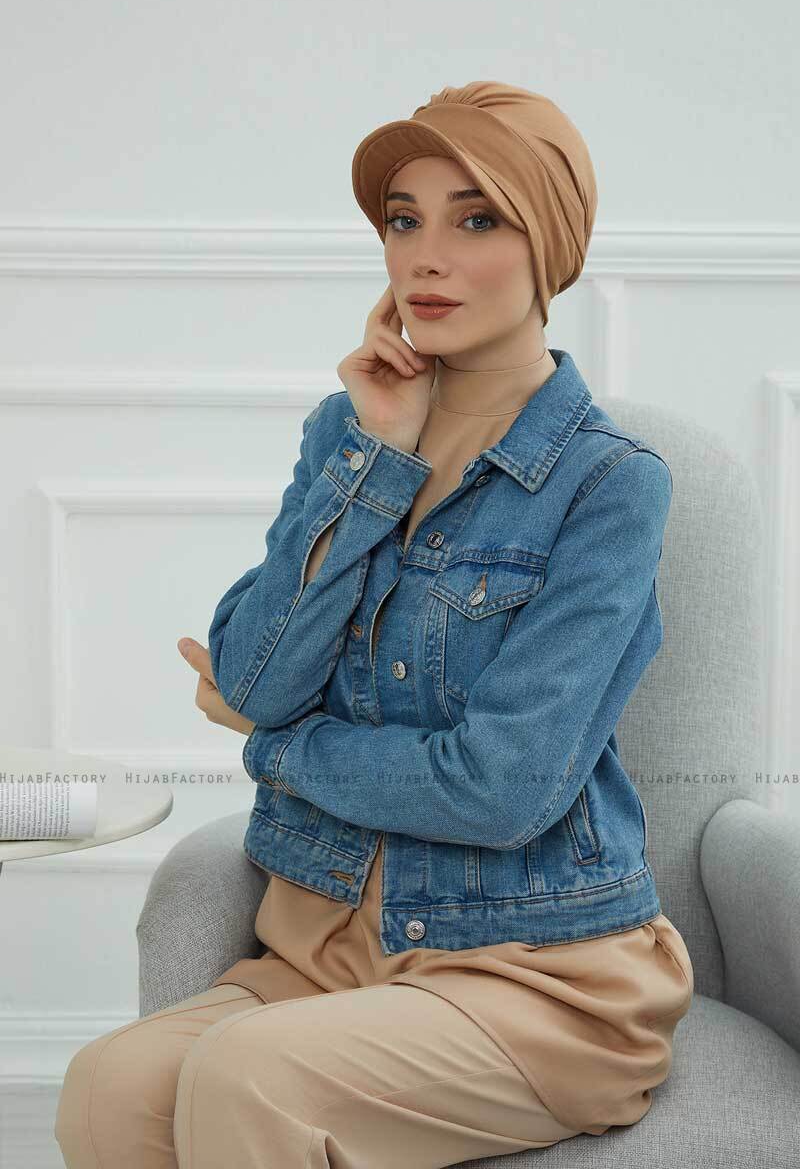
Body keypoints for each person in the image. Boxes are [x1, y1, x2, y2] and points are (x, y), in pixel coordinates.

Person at [55, 81, 693, 1169]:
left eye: (476, 219)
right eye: (404, 219)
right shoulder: (346, 436)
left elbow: (501, 787)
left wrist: (279, 751)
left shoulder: (608, 485)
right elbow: (256, 679)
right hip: (327, 960)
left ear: (548, 246)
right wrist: (377, 458)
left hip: (538, 975)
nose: (425, 257)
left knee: (249, 1075)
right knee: (106, 1090)